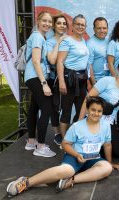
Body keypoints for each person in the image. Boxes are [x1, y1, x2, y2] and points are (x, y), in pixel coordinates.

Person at [6, 97, 119, 197]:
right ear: (87, 110)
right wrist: (76, 154)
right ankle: (26, 182)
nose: (96, 113)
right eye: (93, 110)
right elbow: (65, 145)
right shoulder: (77, 126)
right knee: (66, 170)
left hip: (93, 158)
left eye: (99, 111)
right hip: (75, 156)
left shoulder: (105, 126)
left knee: (107, 168)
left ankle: (71, 180)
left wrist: (109, 162)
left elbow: (107, 145)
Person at [79, 61, 119, 158]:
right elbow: (87, 99)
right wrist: (80, 122)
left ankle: (101, 148)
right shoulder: (106, 81)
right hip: (94, 119)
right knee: (89, 151)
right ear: (117, 70)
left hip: (108, 123)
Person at [24, 11, 56, 157]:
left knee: (34, 108)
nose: (47, 24)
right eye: (45, 20)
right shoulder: (37, 36)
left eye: (50, 22)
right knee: (47, 108)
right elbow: (36, 61)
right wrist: (44, 83)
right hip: (36, 77)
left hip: (32, 77)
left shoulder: (39, 36)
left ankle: (31, 142)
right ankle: (41, 147)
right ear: (38, 20)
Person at [56, 14, 89, 140]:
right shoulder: (67, 41)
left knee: (82, 111)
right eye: (78, 24)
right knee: (66, 112)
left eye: (83, 25)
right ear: (73, 26)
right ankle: (65, 141)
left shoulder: (83, 41)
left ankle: (74, 136)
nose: (80, 26)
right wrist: (61, 82)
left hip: (81, 81)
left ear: (85, 27)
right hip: (68, 79)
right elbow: (60, 62)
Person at [46, 14, 69, 146]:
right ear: (54, 26)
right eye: (59, 23)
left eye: (64, 23)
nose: (62, 26)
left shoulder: (69, 40)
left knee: (65, 107)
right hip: (53, 79)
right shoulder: (49, 41)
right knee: (55, 108)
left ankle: (66, 133)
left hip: (67, 78)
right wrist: (59, 42)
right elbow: (53, 60)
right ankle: (57, 133)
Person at [87, 17, 109, 85]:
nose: (102, 30)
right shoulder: (90, 44)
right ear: (94, 29)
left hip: (109, 80)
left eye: (104, 28)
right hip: (97, 81)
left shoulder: (109, 41)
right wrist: (94, 85)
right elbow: (89, 65)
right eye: (99, 28)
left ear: (107, 29)